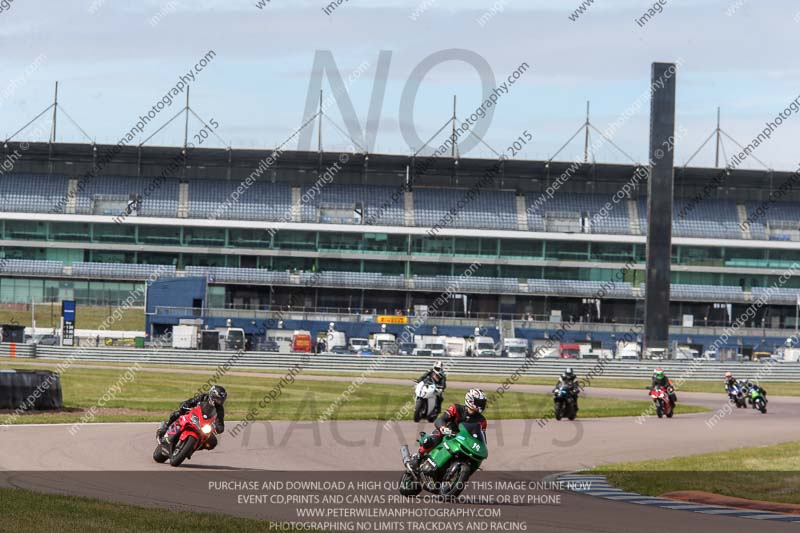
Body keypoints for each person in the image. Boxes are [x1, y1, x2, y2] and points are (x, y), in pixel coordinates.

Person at [407, 388, 487, 471]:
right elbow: (440, 420)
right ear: (470, 400)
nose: (481, 406)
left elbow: (482, 438)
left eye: (482, 404)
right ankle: (418, 457)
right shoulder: (455, 408)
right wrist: (443, 428)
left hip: (463, 441)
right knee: (434, 438)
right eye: (479, 403)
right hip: (447, 433)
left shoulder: (482, 420)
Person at [157, 385, 227, 450]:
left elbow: (220, 423)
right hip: (193, 415)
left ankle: (192, 448)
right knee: (176, 414)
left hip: (203, 425)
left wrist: (218, 428)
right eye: (218, 399)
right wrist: (185, 405)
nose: (219, 402)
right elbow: (191, 401)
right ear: (212, 395)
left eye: (221, 400)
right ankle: (165, 429)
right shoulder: (203, 397)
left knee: (213, 442)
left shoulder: (220, 409)